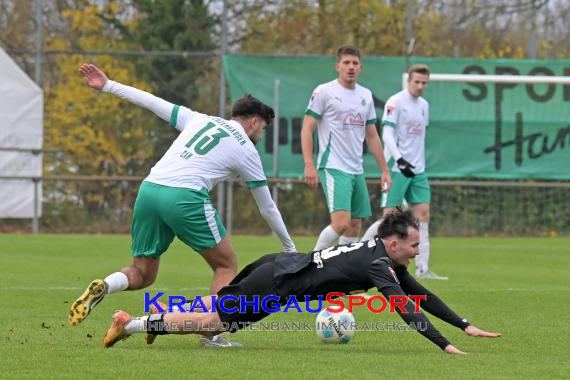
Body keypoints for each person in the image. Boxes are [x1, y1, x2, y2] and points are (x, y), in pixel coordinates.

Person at [69, 63, 296, 347]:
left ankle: (106, 284)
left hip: (150, 190)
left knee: (142, 273)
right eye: (262, 128)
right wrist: (289, 248)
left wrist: (108, 85)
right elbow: (267, 207)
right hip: (185, 196)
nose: (260, 136)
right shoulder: (247, 148)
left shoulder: (198, 119)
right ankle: (211, 335)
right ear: (253, 122)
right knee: (226, 266)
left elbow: (152, 102)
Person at [102, 209, 501, 354]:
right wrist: (445, 345)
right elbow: (403, 307)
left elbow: (421, 296)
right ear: (394, 242)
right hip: (277, 282)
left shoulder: (381, 256)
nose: (417, 250)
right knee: (215, 323)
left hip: (279, 267)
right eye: (413, 245)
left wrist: (464, 326)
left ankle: (160, 318)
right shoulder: (381, 266)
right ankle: (132, 324)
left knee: (219, 313)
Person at [301, 45, 391, 251]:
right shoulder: (324, 91)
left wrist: (385, 169)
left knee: (354, 225)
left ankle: (341, 275)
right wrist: (309, 163)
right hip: (333, 166)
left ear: (360, 67)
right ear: (337, 66)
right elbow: (307, 127)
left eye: (355, 63)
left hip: (356, 169)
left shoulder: (366, 95)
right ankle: (309, 265)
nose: (351, 67)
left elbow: (372, 134)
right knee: (341, 222)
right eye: (346, 63)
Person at [361, 64, 446, 280]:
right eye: (416, 81)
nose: (420, 86)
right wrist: (399, 160)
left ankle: (423, 269)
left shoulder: (424, 105)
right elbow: (387, 134)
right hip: (398, 168)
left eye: (424, 82)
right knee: (389, 217)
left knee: (423, 214)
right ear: (408, 81)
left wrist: (419, 164)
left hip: (418, 170)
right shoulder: (395, 102)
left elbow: (419, 137)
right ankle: (361, 253)